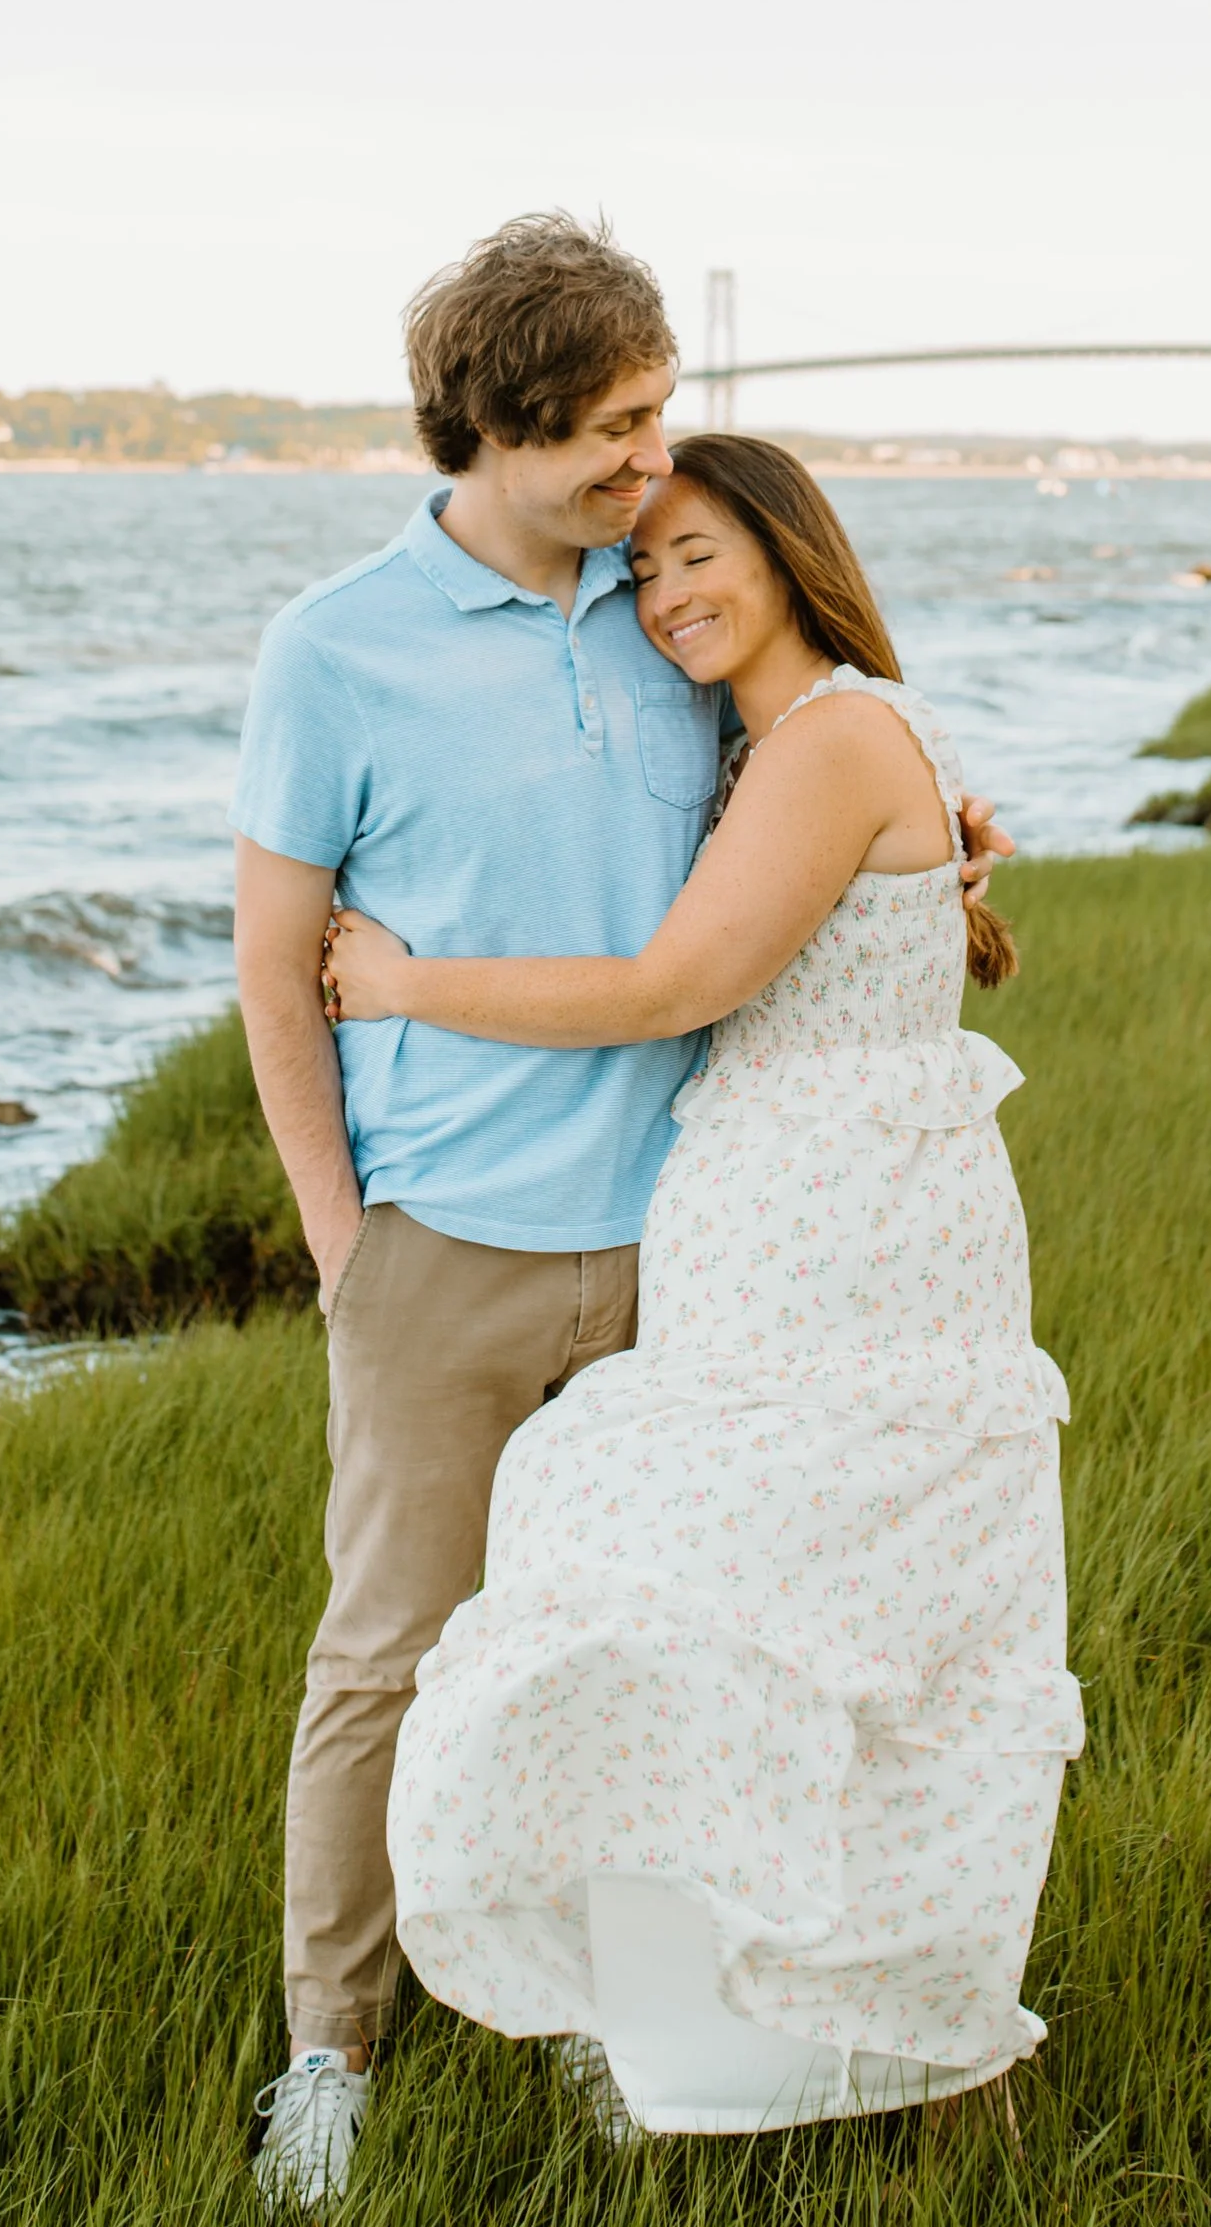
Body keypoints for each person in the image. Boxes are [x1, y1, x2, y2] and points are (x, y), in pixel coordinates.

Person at [229, 219, 1004, 2210]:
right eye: (617, 429)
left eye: (659, 422)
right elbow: (273, 965)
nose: (652, 468)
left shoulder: (658, 618)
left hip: (689, 1250)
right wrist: (342, 1244)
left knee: (649, 1644)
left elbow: (809, 819)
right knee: (389, 1656)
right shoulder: (333, 652)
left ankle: (612, 2013)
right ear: (497, 423)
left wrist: (949, 845)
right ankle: (329, 2054)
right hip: (447, 1252)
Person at [325, 433, 1079, 2138]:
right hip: (801, 1223)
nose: (667, 594)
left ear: (788, 545)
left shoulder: (824, 743)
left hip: (848, 1238)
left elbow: (674, 984)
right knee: (806, 1615)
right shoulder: (804, 746)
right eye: (641, 570)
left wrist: (402, 981)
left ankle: (840, 2024)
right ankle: (774, 2012)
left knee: (739, 1583)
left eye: (697, 553)